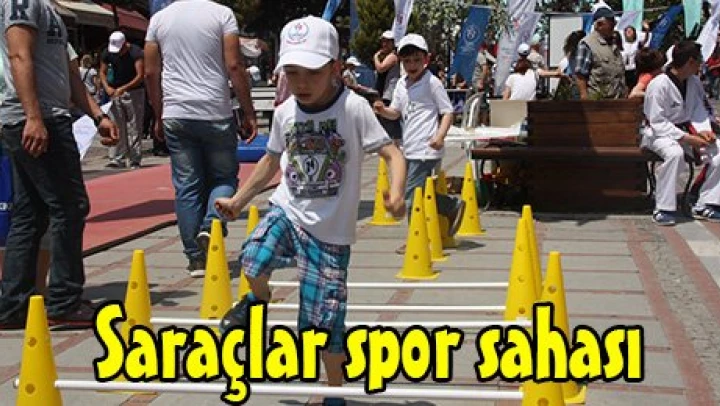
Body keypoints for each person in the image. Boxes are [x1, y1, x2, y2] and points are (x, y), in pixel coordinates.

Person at [215, 16, 406, 404]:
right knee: (253, 257)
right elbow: (270, 161)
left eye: (312, 72)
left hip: (330, 233)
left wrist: (398, 192)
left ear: (334, 68)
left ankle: (332, 392)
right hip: (288, 209)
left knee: (322, 324)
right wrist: (238, 201)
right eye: (292, 72)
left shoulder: (353, 108)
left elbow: (392, 153)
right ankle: (257, 300)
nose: (301, 83)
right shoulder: (286, 111)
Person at [0, 0, 119, 329]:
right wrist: (33, 116)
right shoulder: (22, 3)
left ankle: (13, 304)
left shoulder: (48, 9)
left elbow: (69, 74)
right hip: (40, 118)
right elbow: (18, 54)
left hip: (47, 115)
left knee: (31, 212)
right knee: (69, 206)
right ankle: (64, 299)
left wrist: (97, 115)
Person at [144, 0, 257, 278]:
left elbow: (150, 71)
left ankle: (195, 259)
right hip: (214, 110)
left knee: (186, 186)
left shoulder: (160, 19)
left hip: (176, 112)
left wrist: (158, 113)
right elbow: (234, 65)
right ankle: (211, 224)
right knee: (224, 178)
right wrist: (248, 112)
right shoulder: (221, 15)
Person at [373, 33, 465, 254]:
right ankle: (450, 206)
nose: (412, 65)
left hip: (426, 148)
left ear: (426, 59)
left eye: (416, 60)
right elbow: (396, 112)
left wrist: (440, 136)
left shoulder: (432, 83)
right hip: (409, 147)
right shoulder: (401, 85)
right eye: (407, 61)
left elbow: (447, 112)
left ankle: (416, 238)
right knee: (419, 193)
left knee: (412, 195)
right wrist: (383, 110)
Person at [642, 41, 720, 226]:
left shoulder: (694, 82)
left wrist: (705, 131)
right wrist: (687, 138)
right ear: (691, 61)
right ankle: (663, 208)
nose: (701, 64)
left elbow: (700, 109)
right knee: (675, 154)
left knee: (718, 151)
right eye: (699, 60)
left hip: (687, 131)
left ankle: (705, 202)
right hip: (657, 134)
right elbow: (657, 121)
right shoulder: (658, 84)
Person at [100, 31, 145, 169]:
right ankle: (117, 157)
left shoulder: (135, 52)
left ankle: (135, 158)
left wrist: (124, 88)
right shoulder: (108, 52)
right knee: (116, 125)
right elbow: (102, 72)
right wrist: (107, 87)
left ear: (125, 44)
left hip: (134, 92)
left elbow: (140, 75)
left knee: (134, 126)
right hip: (114, 92)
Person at [574, 7, 627, 99]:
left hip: (618, 100)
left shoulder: (613, 43)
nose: (614, 26)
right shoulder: (587, 44)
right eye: (611, 23)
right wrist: (584, 98)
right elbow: (580, 75)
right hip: (598, 100)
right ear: (599, 25)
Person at [374, 30, 403, 144]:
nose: (384, 44)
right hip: (385, 92)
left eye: (387, 42)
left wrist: (375, 57)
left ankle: (394, 144)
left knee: (389, 121)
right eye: (383, 41)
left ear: (392, 43)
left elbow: (380, 68)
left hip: (389, 93)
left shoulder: (392, 56)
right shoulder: (389, 56)